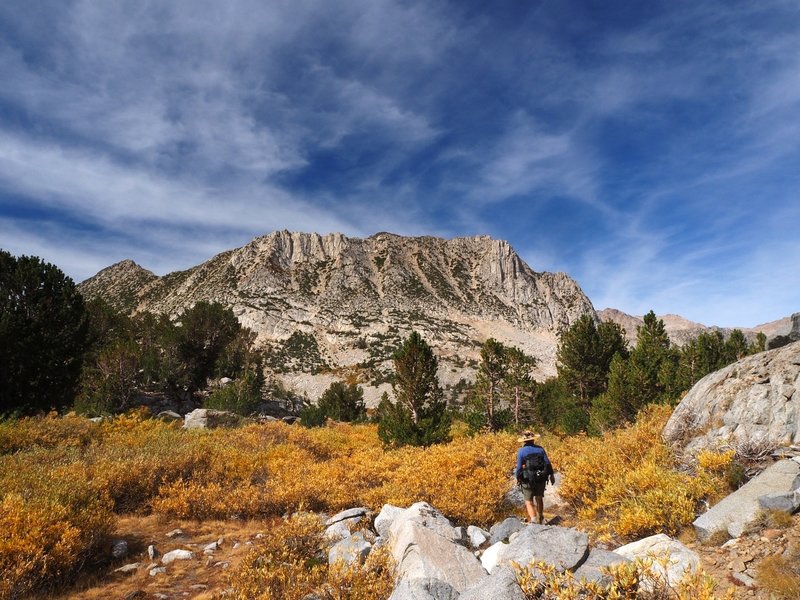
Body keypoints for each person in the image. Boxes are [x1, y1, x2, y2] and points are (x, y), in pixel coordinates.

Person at [514, 431, 555, 524]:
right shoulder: (540, 449)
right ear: (533, 439)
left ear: (524, 441)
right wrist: (551, 475)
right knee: (539, 498)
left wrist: (517, 477)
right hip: (540, 478)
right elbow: (547, 463)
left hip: (527, 479)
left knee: (528, 501)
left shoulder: (521, 451)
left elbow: (519, 467)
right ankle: (541, 517)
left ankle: (533, 520)